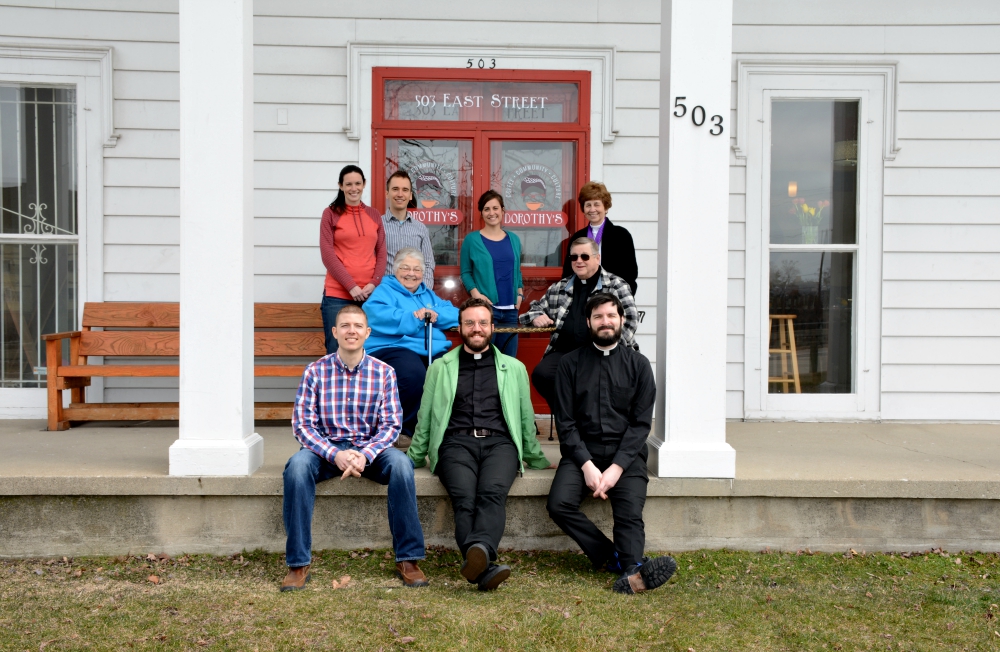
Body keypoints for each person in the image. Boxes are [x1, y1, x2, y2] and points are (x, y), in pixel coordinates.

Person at [281, 304, 428, 591]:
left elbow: (391, 425)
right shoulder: (315, 371)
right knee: (297, 467)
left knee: (401, 464)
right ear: (335, 332)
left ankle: (408, 558)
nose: (352, 331)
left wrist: (364, 454)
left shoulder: (384, 372)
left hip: (369, 451)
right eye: (345, 326)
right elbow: (302, 426)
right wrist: (335, 454)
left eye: (358, 326)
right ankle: (298, 563)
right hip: (325, 451)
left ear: (367, 332)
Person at [408, 297, 551, 591]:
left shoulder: (514, 368)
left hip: (500, 445)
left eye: (483, 323)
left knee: (492, 494)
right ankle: (485, 563)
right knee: (464, 498)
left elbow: (525, 418)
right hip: (455, 445)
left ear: (493, 328)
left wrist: (536, 457)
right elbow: (426, 416)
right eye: (470, 323)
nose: (477, 328)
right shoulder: (440, 367)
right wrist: (413, 456)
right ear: (459, 328)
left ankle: (478, 559)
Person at [547, 293, 676, 594]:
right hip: (582, 452)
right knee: (558, 504)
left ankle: (633, 571)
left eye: (611, 316)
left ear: (621, 320)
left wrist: (617, 468)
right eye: (598, 317)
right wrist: (587, 466)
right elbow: (565, 423)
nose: (605, 322)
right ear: (589, 322)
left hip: (626, 455)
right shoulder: (569, 365)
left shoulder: (639, 365)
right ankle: (610, 556)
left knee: (629, 511)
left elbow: (640, 424)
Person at [519, 237, 639, 414]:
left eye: (584, 256)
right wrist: (537, 316)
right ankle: (570, 417)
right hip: (565, 352)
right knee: (542, 375)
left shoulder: (616, 285)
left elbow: (630, 320)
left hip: (602, 352)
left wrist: (609, 348)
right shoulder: (560, 287)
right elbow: (534, 308)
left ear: (597, 258)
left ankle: (584, 419)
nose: (579, 261)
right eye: (574, 257)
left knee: (594, 379)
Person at [364, 247, 459, 439]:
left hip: (427, 348)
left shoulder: (427, 294)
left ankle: (443, 428)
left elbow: (455, 314)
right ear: (396, 270)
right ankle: (406, 431)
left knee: (453, 370)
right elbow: (376, 314)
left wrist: (434, 315)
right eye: (406, 268)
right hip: (392, 347)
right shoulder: (384, 290)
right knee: (413, 374)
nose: (411, 274)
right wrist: (413, 318)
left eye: (417, 270)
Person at [319, 164, 387, 354]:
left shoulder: (374, 215)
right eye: (348, 184)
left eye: (358, 183)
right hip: (337, 296)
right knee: (336, 349)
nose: (354, 188)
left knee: (369, 349)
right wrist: (350, 285)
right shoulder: (330, 214)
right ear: (341, 186)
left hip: (369, 295)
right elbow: (327, 255)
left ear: (364, 184)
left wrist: (374, 283)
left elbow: (381, 252)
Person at [460, 190, 524, 356]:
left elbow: (517, 270)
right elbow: (466, 273)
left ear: (502, 210)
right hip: (486, 312)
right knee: (484, 360)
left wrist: (520, 293)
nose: (491, 213)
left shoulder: (514, 239)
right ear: (481, 213)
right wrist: (476, 295)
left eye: (495, 208)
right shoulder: (472, 240)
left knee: (509, 362)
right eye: (487, 209)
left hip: (511, 311)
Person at [561, 182, 639, 296]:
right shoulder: (577, 237)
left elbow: (630, 274)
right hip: (582, 296)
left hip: (612, 295)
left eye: (597, 204)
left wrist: (620, 298)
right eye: (588, 205)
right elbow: (568, 273)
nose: (592, 209)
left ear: (606, 207)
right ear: (583, 209)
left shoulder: (621, 235)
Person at [382, 170, 435, 290]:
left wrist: (423, 290)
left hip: (414, 294)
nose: (400, 194)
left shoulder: (420, 228)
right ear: (387, 193)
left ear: (410, 195)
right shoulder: (377, 225)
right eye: (395, 189)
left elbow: (428, 263)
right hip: (386, 292)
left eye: (405, 190)